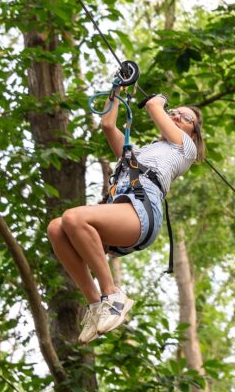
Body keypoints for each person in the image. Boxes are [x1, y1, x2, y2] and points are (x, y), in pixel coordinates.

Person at [47, 93, 205, 343]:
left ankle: (111, 294)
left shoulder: (186, 148)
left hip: (143, 210)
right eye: (174, 111)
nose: (175, 115)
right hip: (123, 208)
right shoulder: (140, 153)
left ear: (193, 133)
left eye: (183, 117)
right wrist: (116, 93)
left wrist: (161, 99)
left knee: (74, 218)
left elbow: (154, 105)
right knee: (56, 228)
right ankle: (96, 305)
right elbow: (109, 126)